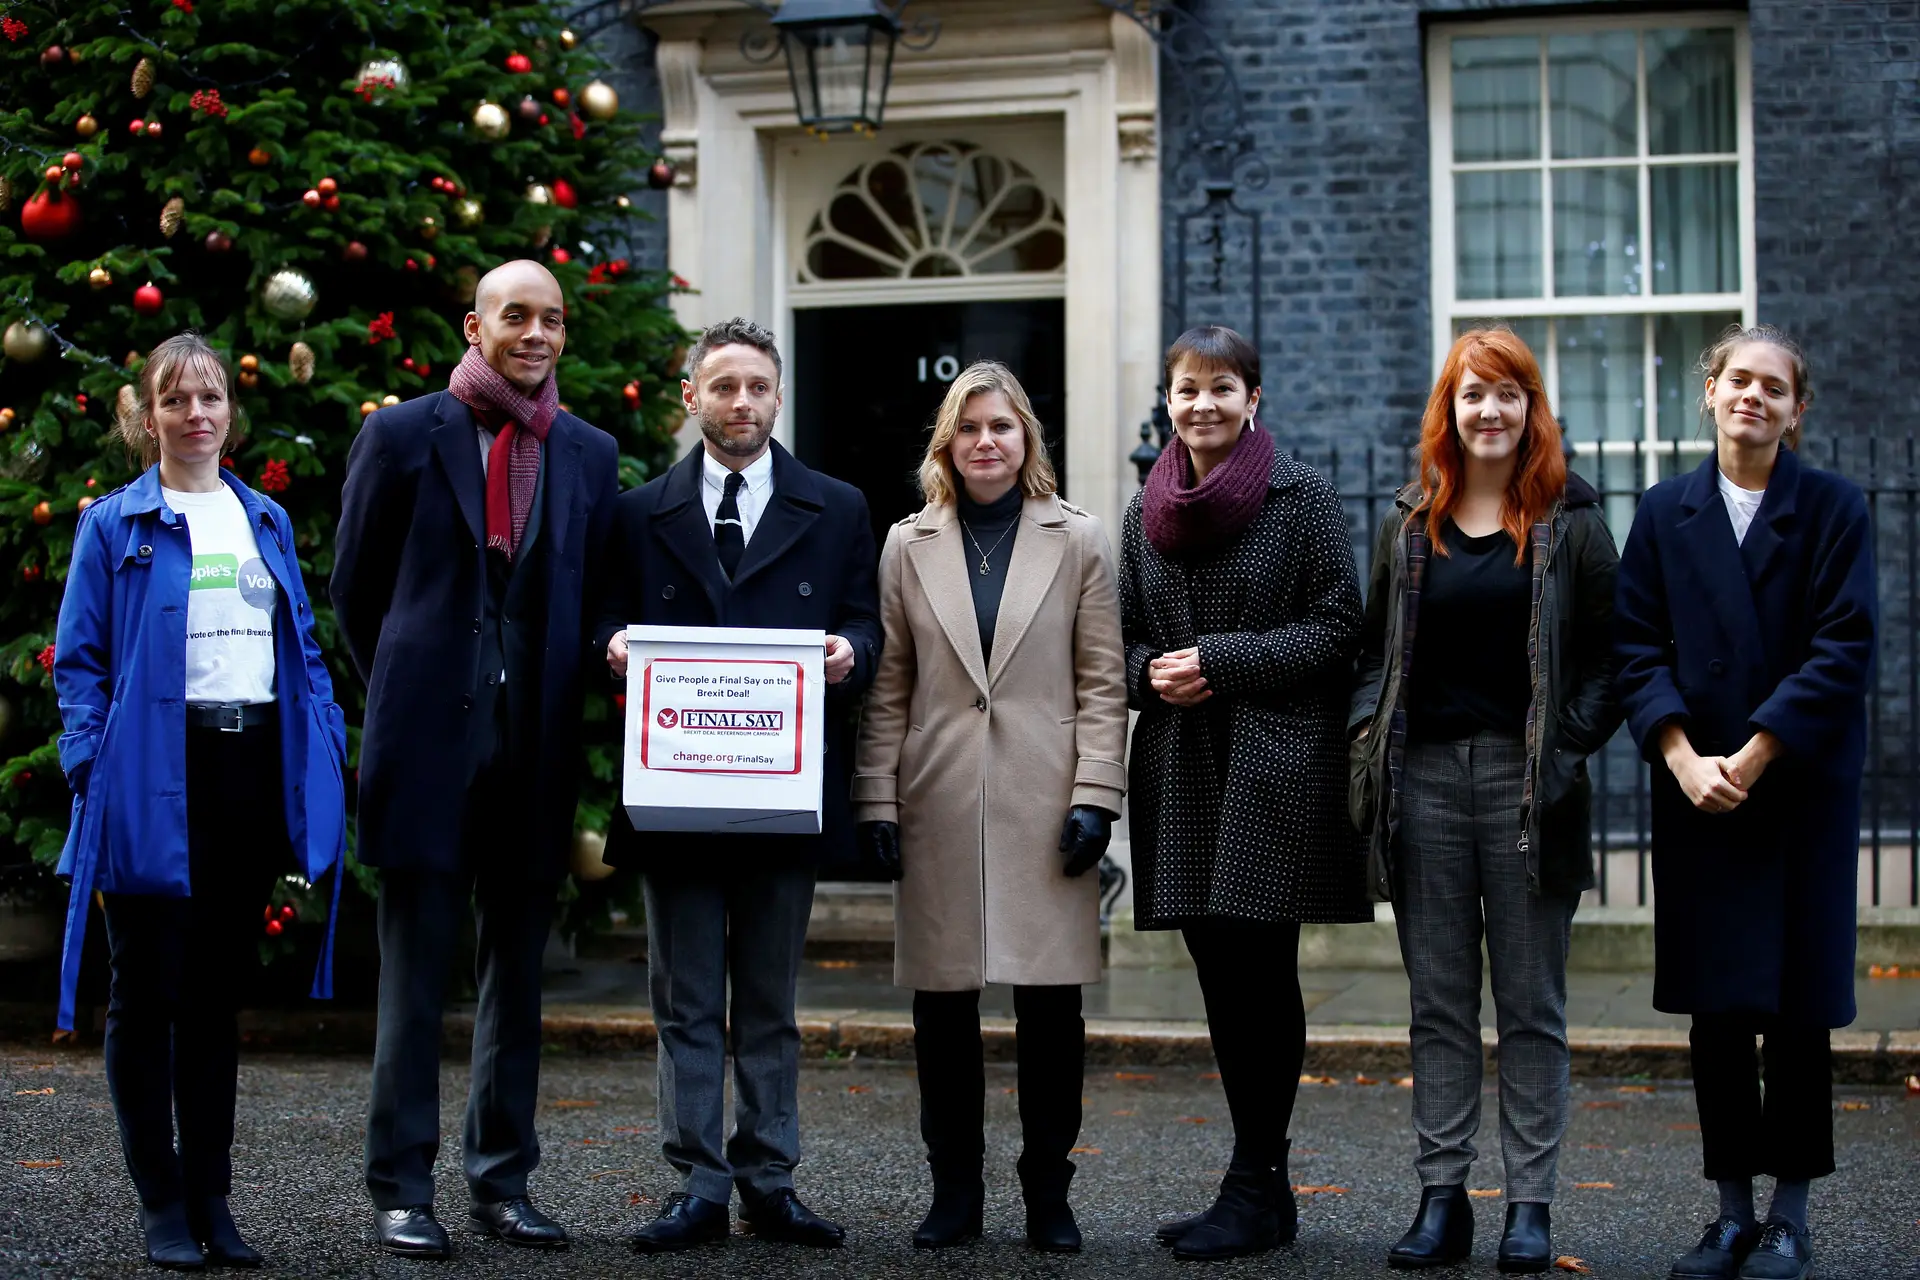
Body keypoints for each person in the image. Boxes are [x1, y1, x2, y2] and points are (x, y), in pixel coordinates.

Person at [332, 260, 620, 1259]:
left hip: (534, 753)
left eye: (551, 318)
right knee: (414, 982)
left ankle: (502, 1180)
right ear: (476, 324)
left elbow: (590, 598)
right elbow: (355, 593)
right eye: (516, 315)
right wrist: (411, 696)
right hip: (426, 747)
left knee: (518, 983)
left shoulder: (588, 451)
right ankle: (403, 1186)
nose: (534, 333)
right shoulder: (404, 433)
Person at [52, 332, 348, 1270]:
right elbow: (82, 663)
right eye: (174, 400)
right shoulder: (114, 525)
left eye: (210, 397)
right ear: (147, 417)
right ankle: (162, 1199)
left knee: (215, 996)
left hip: (247, 767)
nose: (195, 415)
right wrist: (91, 765)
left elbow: (298, 645)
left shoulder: (264, 519)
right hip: (150, 768)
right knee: (148, 991)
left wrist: (326, 735)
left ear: (230, 411)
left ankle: (214, 1198)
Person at [597, 317, 882, 1254]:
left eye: (758, 386)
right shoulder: (639, 513)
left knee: (767, 1000)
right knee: (684, 999)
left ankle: (769, 1176)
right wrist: (612, 645)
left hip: (780, 792)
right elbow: (602, 616)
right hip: (676, 794)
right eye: (723, 386)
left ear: (779, 394)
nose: (742, 403)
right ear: (692, 397)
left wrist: (852, 650)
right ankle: (698, 1184)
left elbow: (864, 622)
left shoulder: (836, 507)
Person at [1349, 327, 1622, 1274]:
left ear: (1531, 408)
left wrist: (1568, 750)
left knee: (1532, 1003)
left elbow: (1609, 659)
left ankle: (1530, 1207)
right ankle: (1442, 1198)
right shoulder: (1409, 515)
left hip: (1525, 781)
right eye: (1473, 395)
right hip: (1421, 779)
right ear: (1449, 410)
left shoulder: (1573, 520)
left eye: (1508, 394)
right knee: (1439, 1002)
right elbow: (1371, 649)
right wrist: (1365, 738)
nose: (1491, 411)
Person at [1614, 325, 1874, 1280]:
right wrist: (1680, 755)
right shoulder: (1663, 511)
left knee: (1799, 1013)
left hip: (1796, 788)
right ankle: (1730, 1214)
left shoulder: (1837, 509)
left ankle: (1791, 1217)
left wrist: (1755, 753)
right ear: (1708, 393)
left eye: (1774, 386)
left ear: (1795, 409)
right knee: (1718, 1014)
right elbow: (1634, 648)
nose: (1752, 397)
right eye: (1737, 380)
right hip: (1698, 792)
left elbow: (1845, 649)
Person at [850, 361, 1127, 1253]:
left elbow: (1101, 678)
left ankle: (1050, 1191)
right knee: (942, 1013)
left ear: (1026, 440)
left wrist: (1096, 795)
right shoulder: (907, 544)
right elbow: (889, 687)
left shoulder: (1079, 539)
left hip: (1046, 804)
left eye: (1001, 427)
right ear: (946, 444)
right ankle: (954, 1194)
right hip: (937, 799)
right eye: (968, 429)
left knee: (1050, 1012)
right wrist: (877, 800)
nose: (985, 443)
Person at [1120, 325, 1369, 1261]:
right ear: (1169, 401)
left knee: (1264, 976)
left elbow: (1341, 628)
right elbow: (1125, 642)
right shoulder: (1148, 506)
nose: (1203, 406)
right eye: (1187, 390)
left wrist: (1219, 664)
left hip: (1273, 762)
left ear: (1252, 399)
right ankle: (1257, 1188)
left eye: (1222, 388)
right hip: (1182, 766)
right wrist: (1157, 673)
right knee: (1220, 979)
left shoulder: (1299, 499)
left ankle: (1257, 1180)